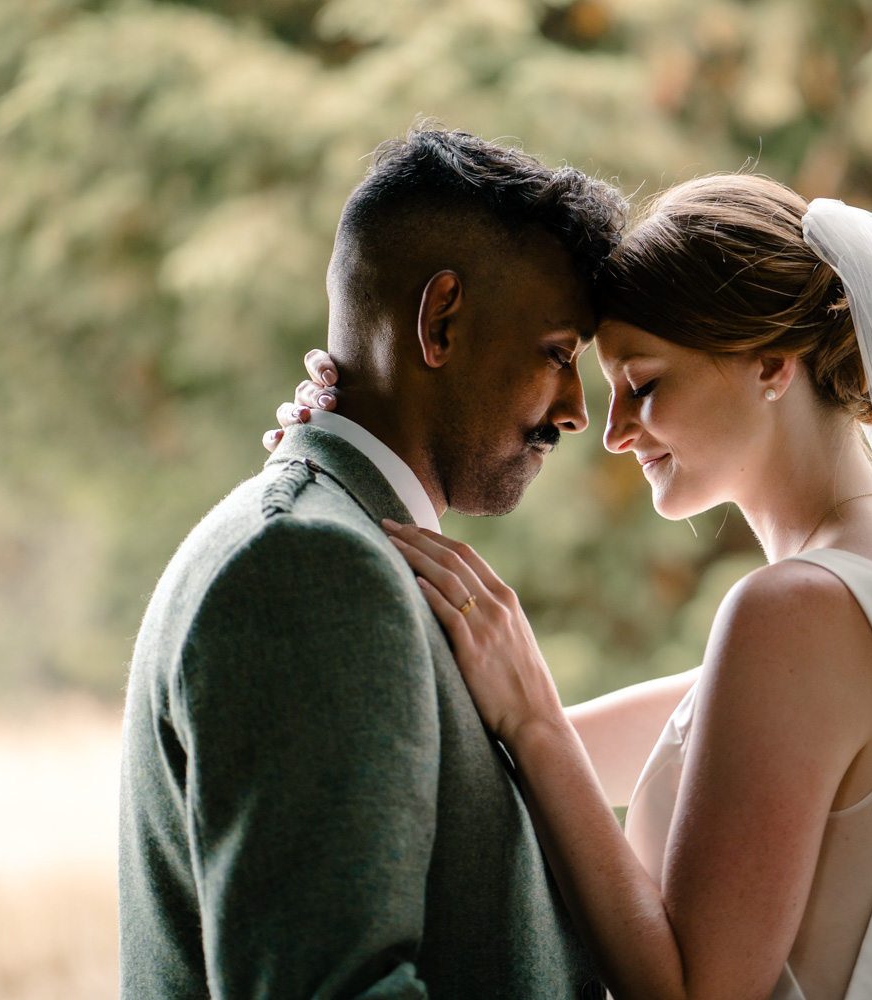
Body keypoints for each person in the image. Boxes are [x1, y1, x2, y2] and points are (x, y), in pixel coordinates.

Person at [279, 174, 872, 1000]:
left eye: (644, 385)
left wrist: (530, 712)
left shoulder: (798, 614)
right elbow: (542, 763)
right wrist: (335, 452)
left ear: (773, 365)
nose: (613, 432)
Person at [119, 125, 625, 1000]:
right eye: (558, 353)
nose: (576, 411)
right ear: (441, 320)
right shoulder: (307, 568)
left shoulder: (344, 545)